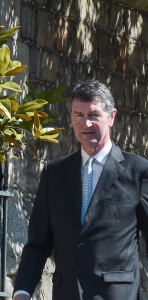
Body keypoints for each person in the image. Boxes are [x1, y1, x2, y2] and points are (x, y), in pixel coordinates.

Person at [13, 80, 148, 300]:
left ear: (111, 117)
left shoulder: (139, 172)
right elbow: (38, 243)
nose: (85, 123)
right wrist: (22, 291)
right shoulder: (54, 173)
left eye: (93, 115)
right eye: (79, 115)